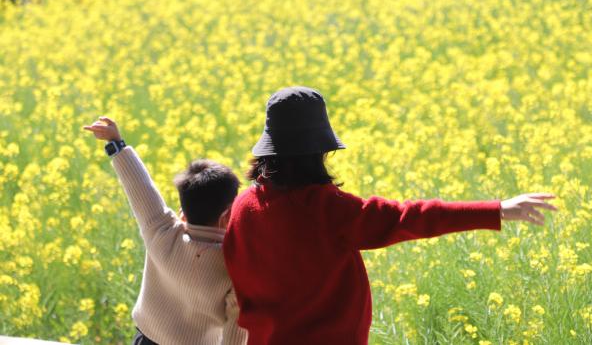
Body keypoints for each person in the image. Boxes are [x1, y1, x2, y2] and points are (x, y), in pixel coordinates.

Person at [223, 86, 558, 345]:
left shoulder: (242, 208)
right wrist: (496, 209)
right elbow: (409, 218)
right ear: (318, 151)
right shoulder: (328, 210)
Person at [84, 117, 247, 345]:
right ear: (227, 215)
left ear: (183, 211)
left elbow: (140, 188)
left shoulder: (162, 232)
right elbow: (235, 333)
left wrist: (116, 145)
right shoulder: (234, 266)